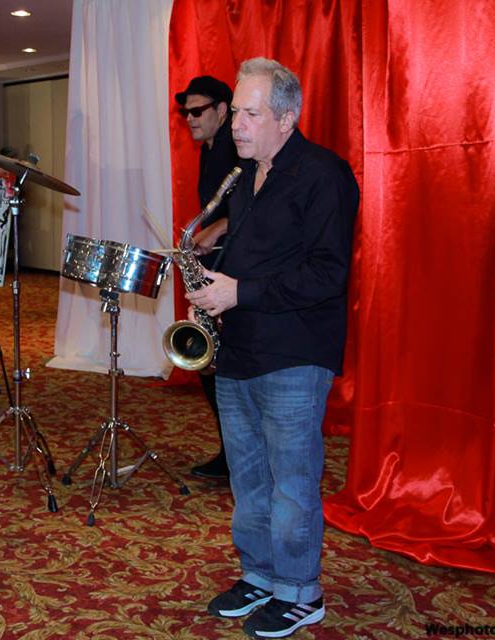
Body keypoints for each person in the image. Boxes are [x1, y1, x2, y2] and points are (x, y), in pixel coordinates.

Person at [186, 58, 359, 638]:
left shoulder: (324, 175)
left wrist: (240, 292)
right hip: (241, 347)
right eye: (235, 112)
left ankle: (301, 592)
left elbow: (329, 274)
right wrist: (211, 294)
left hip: (294, 352)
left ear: (286, 118)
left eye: (250, 114)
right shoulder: (244, 176)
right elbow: (249, 259)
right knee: (249, 478)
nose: (236, 124)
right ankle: (260, 575)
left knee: (291, 482)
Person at [175, 75, 240, 481]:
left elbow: (253, 207)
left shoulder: (238, 148)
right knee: (208, 360)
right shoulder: (209, 150)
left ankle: (237, 454)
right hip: (216, 265)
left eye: (198, 111)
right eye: (186, 112)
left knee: (223, 364)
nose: (190, 118)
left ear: (222, 110)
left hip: (238, 273)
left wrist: (214, 230)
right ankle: (230, 451)